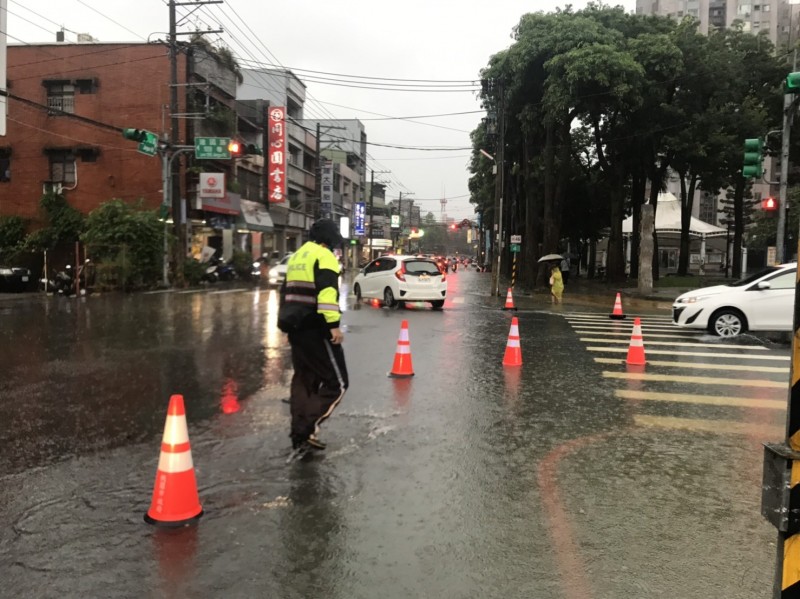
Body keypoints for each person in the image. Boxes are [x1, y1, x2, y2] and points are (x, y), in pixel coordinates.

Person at [278, 219, 349, 459]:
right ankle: (305, 429)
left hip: (295, 327)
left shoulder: (298, 256)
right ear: (329, 239)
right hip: (317, 328)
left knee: (304, 380)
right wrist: (333, 326)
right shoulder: (324, 255)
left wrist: (287, 326)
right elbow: (327, 293)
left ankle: (298, 434)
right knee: (337, 384)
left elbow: (285, 293)